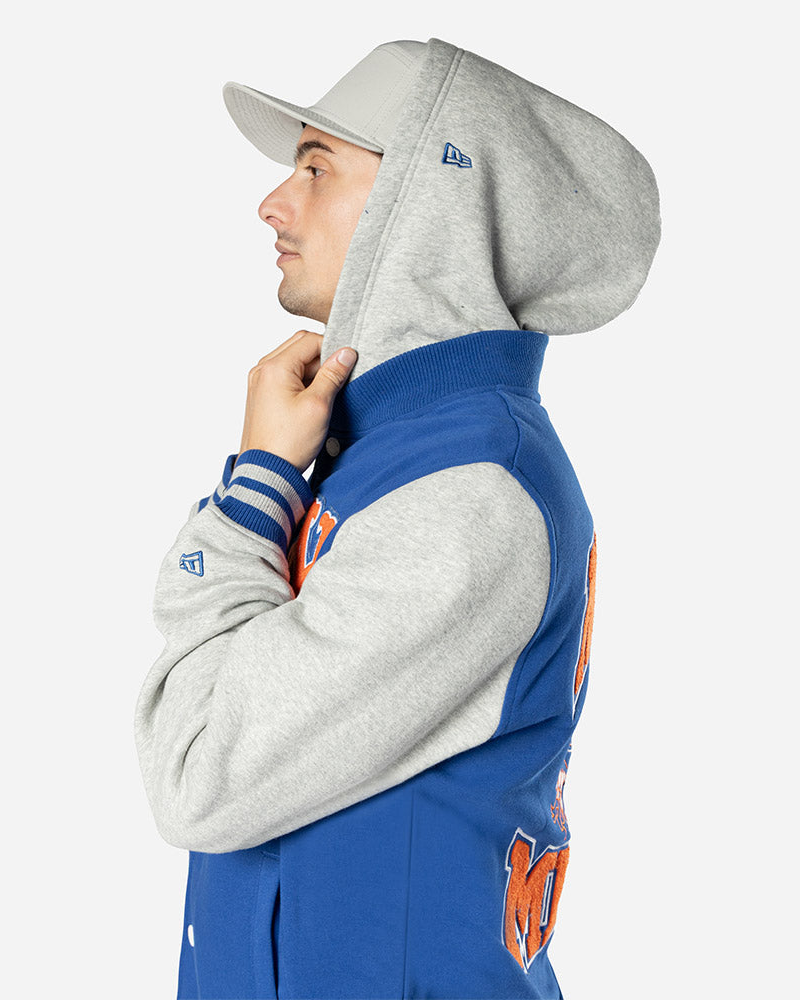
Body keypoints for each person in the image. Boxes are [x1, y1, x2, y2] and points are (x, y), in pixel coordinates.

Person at [134, 36, 660, 1000]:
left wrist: (256, 488)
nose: (273, 203)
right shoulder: (375, 453)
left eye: (316, 168)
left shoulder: (468, 491)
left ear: (428, 204)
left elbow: (198, 775)